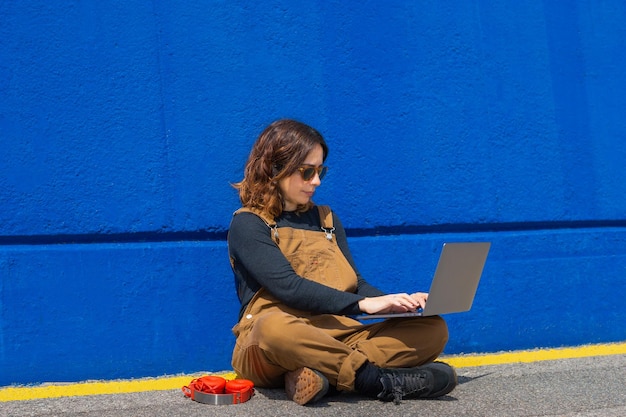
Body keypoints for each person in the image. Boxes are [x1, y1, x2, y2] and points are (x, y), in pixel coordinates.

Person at [227, 119, 457, 406]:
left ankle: (320, 375)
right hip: (272, 345)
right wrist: (361, 305)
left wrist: (396, 302)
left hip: (334, 335)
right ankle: (375, 380)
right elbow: (289, 287)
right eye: (306, 171)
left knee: (433, 329)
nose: (316, 181)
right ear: (274, 169)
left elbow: (355, 284)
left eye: (320, 170)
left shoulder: (327, 220)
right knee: (272, 327)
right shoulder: (249, 223)